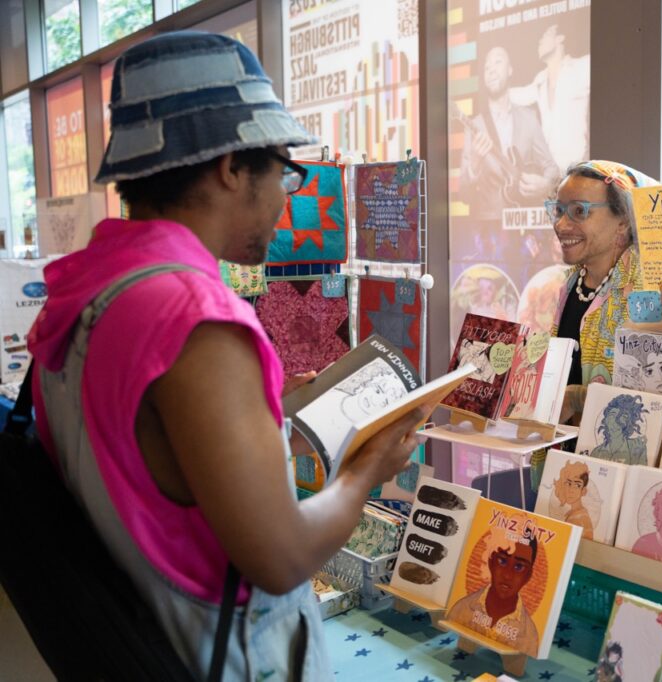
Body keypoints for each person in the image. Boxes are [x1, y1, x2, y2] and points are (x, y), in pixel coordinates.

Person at [26, 32, 425, 679]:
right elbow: (281, 556)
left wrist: (268, 410)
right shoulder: (193, 318)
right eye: (285, 172)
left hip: (132, 634)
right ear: (231, 167)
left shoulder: (90, 291)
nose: (289, 195)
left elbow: (144, 456)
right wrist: (363, 471)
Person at [549, 160, 658, 420]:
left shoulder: (647, 290)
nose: (561, 225)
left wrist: (576, 398)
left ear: (623, 221)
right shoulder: (572, 282)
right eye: (559, 210)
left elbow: (654, 391)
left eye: (579, 211)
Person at [459, 46, 560, 220]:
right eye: (487, 68)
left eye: (497, 62)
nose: (491, 70)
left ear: (510, 70)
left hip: (526, 224)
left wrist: (546, 186)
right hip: (491, 233)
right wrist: (474, 164)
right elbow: (464, 195)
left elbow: (551, 167)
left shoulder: (529, 118)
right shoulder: (475, 126)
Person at [447, 524, 541, 656]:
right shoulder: (462, 609)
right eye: (502, 561)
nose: (507, 575)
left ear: (528, 576)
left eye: (519, 566)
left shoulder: (529, 635)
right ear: (491, 562)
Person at [509, 24, 591, 171]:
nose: (539, 41)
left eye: (545, 36)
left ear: (560, 38)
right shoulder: (540, 79)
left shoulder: (581, 67)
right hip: (552, 175)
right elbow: (519, 95)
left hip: (579, 171)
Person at [589, 393, 649, 465]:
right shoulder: (596, 452)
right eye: (612, 415)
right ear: (606, 420)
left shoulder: (637, 448)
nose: (616, 422)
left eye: (623, 417)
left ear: (629, 423)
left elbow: (639, 474)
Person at [551, 460, 598, 539]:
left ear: (583, 491)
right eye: (568, 483)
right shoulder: (575, 513)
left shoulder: (578, 519)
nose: (571, 490)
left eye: (577, 485)